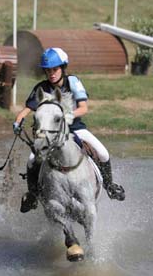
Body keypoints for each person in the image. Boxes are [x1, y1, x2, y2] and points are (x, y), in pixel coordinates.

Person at [13, 47, 125, 213]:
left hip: (75, 129)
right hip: (51, 135)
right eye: (48, 70)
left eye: (55, 69)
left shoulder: (73, 82)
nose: (51, 73)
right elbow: (27, 109)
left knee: (103, 153)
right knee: (31, 160)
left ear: (62, 68)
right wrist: (18, 121)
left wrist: (66, 117)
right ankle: (33, 195)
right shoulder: (41, 88)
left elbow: (83, 108)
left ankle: (109, 186)